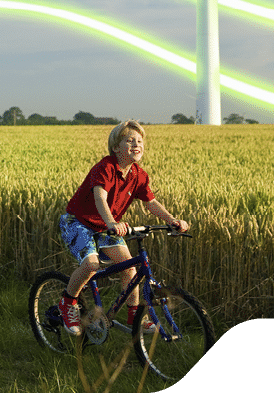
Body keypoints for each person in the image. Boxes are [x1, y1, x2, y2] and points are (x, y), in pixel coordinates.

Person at [56, 120, 189, 336]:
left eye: (139, 140)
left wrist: (172, 220)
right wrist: (111, 223)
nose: (136, 144)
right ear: (116, 147)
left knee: (129, 267)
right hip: (79, 222)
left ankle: (135, 317)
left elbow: (151, 203)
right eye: (129, 140)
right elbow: (100, 197)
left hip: (106, 227)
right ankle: (68, 303)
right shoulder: (106, 168)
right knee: (91, 264)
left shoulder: (139, 175)